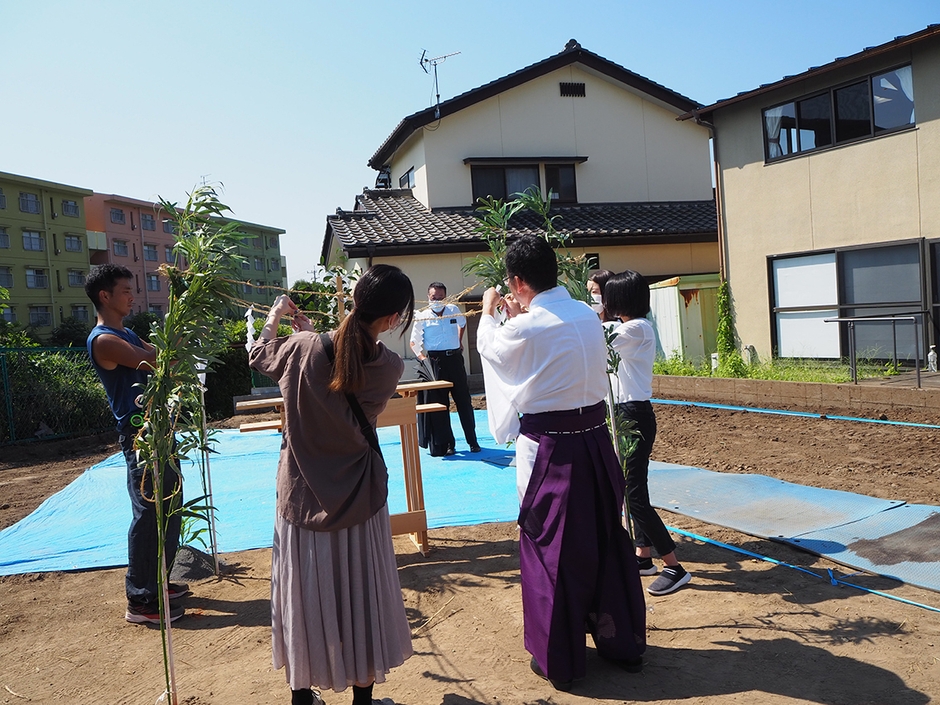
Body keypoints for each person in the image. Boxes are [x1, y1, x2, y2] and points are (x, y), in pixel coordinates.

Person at [476, 236, 647, 691]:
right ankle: (621, 641)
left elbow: (494, 352)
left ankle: (559, 655)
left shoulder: (524, 328)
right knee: (604, 538)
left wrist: (487, 312)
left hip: (549, 447)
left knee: (548, 549)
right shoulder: (588, 317)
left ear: (516, 281)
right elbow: (540, 347)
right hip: (595, 441)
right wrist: (515, 316)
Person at [249, 264, 415, 705]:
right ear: (395, 317)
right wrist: (315, 336)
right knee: (362, 595)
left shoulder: (301, 348)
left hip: (302, 498)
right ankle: (363, 699)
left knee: (301, 597)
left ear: (356, 298)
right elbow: (345, 361)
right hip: (359, 496)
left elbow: (260, 353)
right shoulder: (390, 366)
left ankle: (301, 696)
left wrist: (276, 318)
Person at [84, 264, 189, 625]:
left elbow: (166, 358)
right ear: (105, 296)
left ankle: (157, 579)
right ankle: (141, 599)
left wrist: (183, 308)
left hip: (158, 428)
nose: (133, 296)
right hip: (139, 436)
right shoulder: (105, 340)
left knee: (171, 501)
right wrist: (180, 321)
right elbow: (159, 362)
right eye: (126, 290)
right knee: (149, 509)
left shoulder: (126, 332)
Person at [604, 270, 692, 596]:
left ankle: (674, 566)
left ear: (620, 300)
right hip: (625, 414)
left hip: (634, 417)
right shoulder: (630, 327)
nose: (604, 302)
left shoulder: (635, 329)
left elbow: (599, 343)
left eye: (607, 296)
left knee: (633, 494)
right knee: (633, 490)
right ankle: (643, 556)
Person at [409, 281, 480, 455]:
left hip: (454, 359)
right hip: (435, 361)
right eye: (434, 297)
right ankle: (449, 443)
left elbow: (462, 324)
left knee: (464, 401)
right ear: (428, 297)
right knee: (441, 405)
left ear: (446, 297)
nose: (437, 300)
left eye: (441, 297)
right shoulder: (422, 316)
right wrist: (424, 360)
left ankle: (473, 441)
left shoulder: (453, 310)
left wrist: (459, 341)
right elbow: (414, 343)